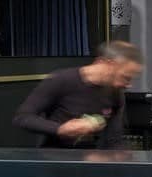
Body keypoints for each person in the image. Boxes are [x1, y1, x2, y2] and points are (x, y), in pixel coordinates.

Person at [13, 41, 144, 149]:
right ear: (109, 65)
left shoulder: (115, 93)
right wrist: (61, 129)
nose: (129, 85)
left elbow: (114, 139)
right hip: (56, 160)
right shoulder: (62, 80)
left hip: (92, 163)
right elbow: (22, 117)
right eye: (126, 77)